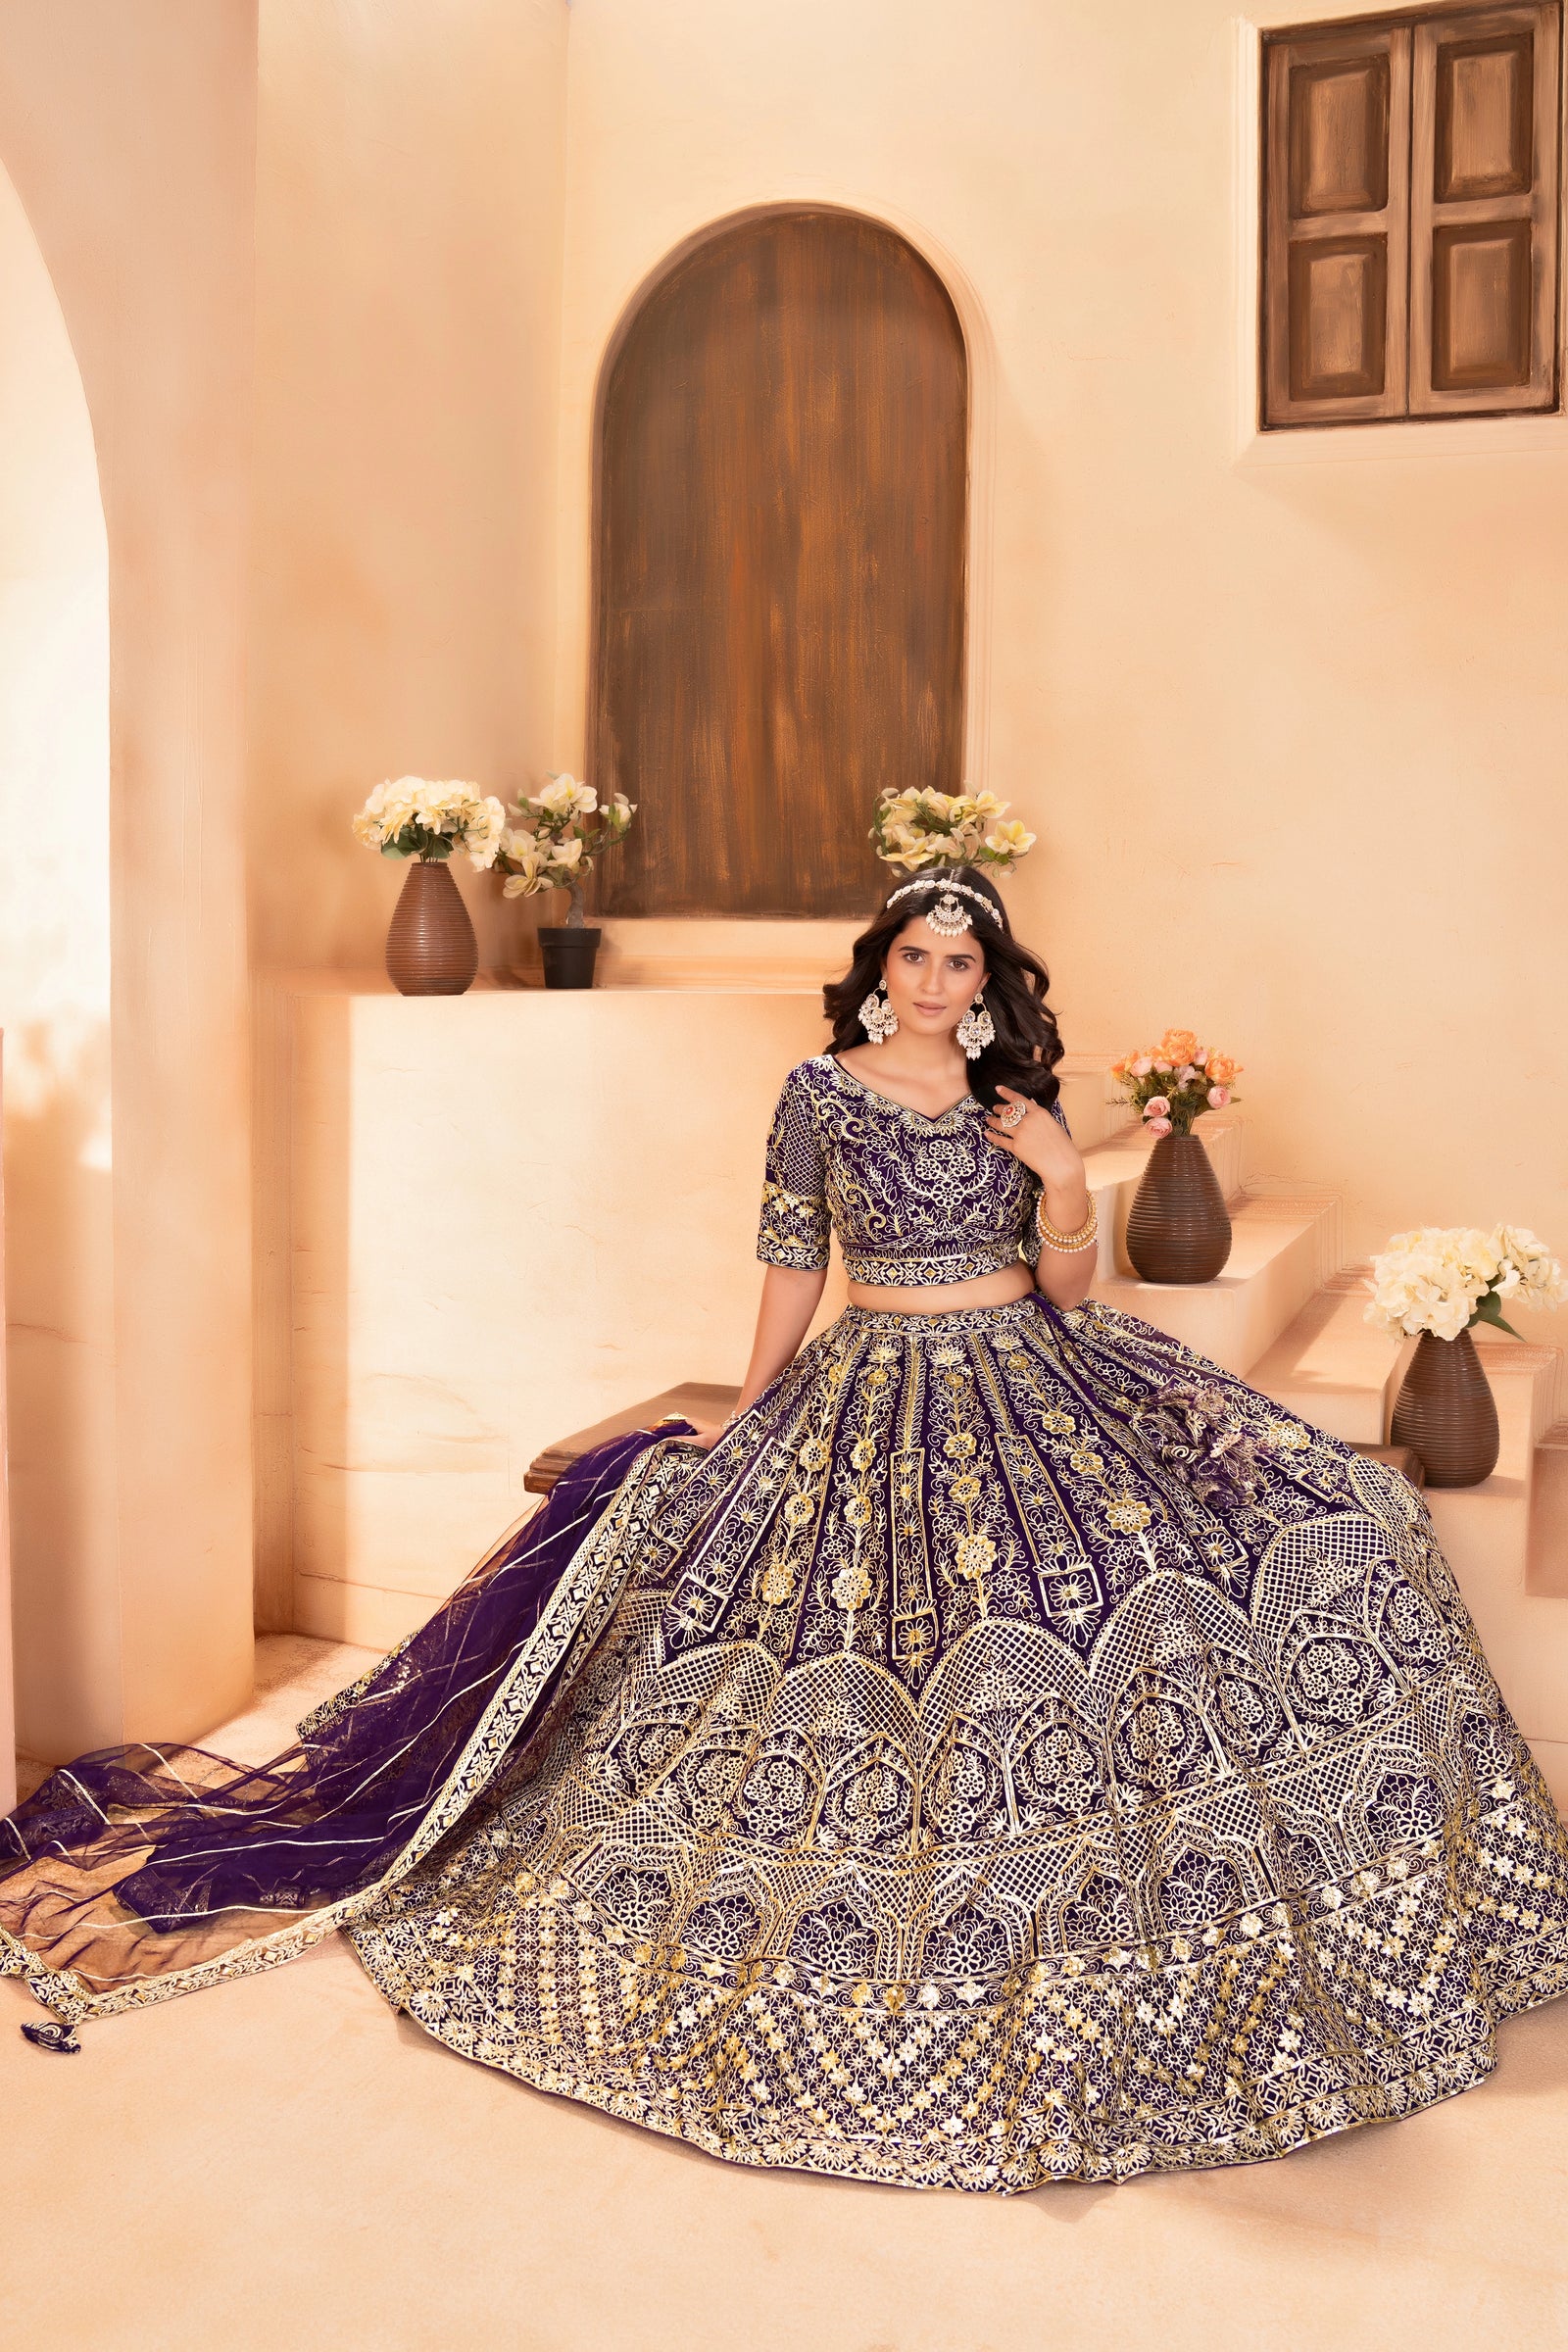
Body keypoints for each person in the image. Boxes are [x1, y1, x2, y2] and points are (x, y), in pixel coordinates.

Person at [4, 865, 1565, 2193]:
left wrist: (1056, 1181)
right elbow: (792, 1261)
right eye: (918, 958)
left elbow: (1072, 1285)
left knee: (1302, 1527)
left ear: (990, 980)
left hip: (1036, 1367)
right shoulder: (820, 1094)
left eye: (963, 962)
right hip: (874, 1383)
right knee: (869, 1637)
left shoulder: (1020, 1106)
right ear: (882, 970)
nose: (940, 983)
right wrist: (749, 1409)